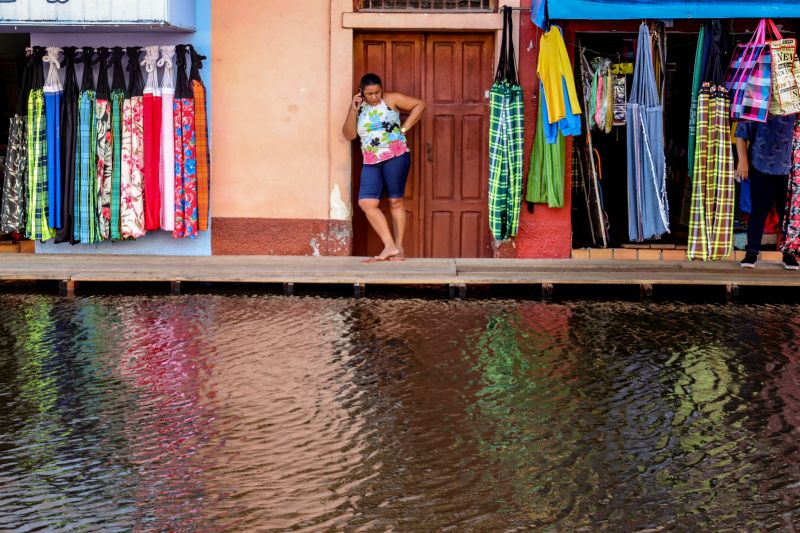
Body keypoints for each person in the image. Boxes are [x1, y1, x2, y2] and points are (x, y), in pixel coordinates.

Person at [342, 73, 425, 262]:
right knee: (366, 203)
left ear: (382, 90)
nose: (374, 97)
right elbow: (349, 135)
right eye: (369, 94)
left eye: (377, 92)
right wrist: (353, 110)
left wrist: (404, 129)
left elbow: (420, 104)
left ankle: (399, 248)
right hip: (371, 160)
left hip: (396, 155)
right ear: (361, 92)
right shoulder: (358, 107)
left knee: (395, 201)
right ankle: (390, 246)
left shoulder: (391, 99)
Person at [735, 114, 799, 270]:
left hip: (790, 167)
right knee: (758, 210)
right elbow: (742, 132)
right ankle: (752, 251)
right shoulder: (759, 102)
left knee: (787, 215)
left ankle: (789, 253)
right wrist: (742, 161)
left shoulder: (795, 106)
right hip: (760, 163)